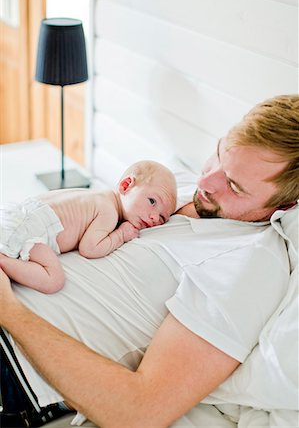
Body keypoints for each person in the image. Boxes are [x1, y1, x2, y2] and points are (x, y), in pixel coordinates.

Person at [0, 94, 298, 428]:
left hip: (12, 362)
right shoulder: (179, 186)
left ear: (284, 206)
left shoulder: (251, 266)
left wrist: (9, 309)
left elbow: (141, 410)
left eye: (232, 185)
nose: (206, 181)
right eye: (217, 155)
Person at [0, 160, 177, 293]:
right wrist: (121, 235)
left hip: (14, 214)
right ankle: (4, 261)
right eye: (152, 201)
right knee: (54, 280)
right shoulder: (108, 211)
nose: (154, 217)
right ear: (125, 186)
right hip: (31, 232)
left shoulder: (94, 195)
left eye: (162, 217)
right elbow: (90, 248)